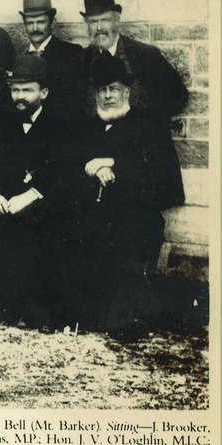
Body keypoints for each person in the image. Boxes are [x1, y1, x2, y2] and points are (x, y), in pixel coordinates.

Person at [72, 54, 185, 339]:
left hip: (132, 223)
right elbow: (65, 172)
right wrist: (90, 167)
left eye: (113, 88)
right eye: (101, 89)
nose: (107, 95)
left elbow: (169, 185)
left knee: (118, 320)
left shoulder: (149, 127)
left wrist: (115, 167)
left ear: (126, 91)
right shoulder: (85, 128)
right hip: (91, 224)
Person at [0, 55, 75, 329]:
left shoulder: (61, 125)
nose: (19, 96)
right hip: (8, 201)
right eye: (15, 89)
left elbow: (64, 173)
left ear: (43, 92)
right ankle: (1, 305)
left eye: (27, 89)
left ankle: (41, 310)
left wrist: (32, 193)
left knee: (40, 227)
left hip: (46, 201)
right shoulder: (2, 122)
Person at [75, 0, 188, 122]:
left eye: (105, 20)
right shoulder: (79, 62)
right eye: (93, 21)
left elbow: (178, 96)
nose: (99, 28)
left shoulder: (146, 55)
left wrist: (147, 124)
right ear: (87, 25)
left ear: (116, 20)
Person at [16, 0, 86, 121]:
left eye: (41, 22)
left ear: (52, 23)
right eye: (30, 23)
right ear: (24, 26)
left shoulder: (71, 53)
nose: (35, 28)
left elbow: (76, 102)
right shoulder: (20, 60)